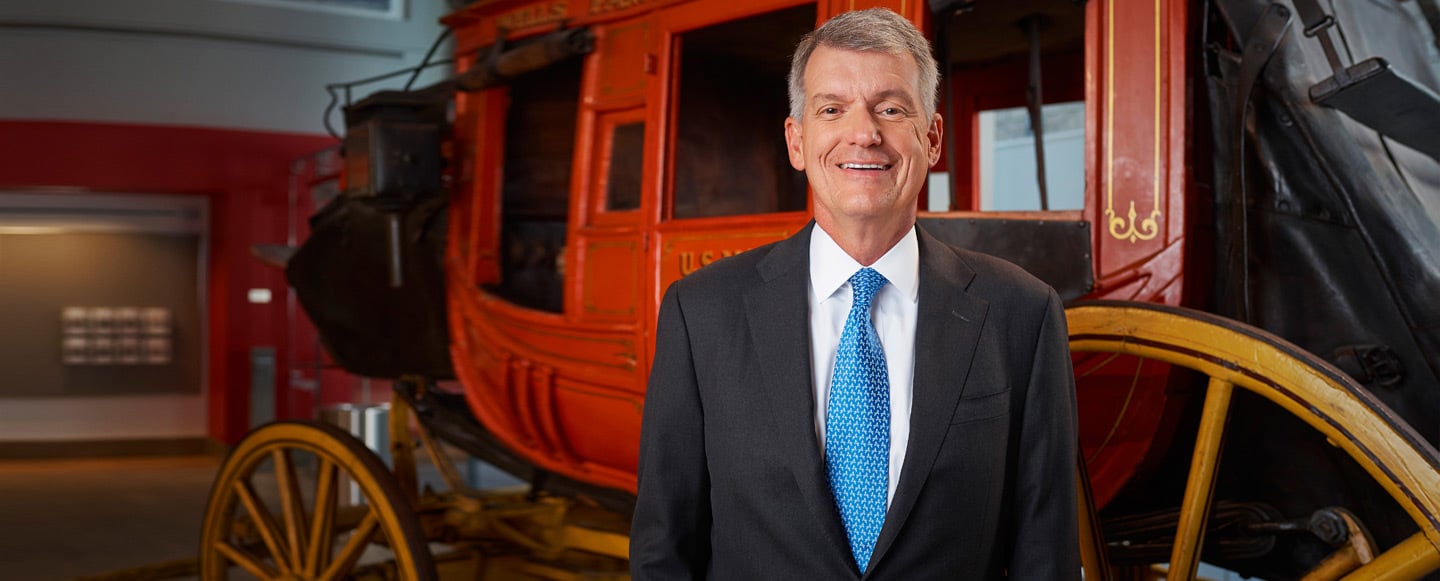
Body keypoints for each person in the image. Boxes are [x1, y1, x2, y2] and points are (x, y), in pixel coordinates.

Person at [630, 7, 1079, 579]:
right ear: (797, 141)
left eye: (891, 109)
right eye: (832, 110)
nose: (863, 133)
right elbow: (663, 549)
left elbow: (1048, 554)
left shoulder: (1025, 313)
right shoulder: (701, 313)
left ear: (932, 138)